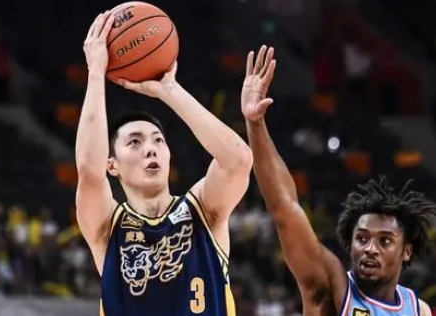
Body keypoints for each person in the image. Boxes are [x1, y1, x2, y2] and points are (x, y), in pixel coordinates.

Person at [76, 11, 257, 316]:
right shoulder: (108, 229)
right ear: (112, 165)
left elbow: (238, 161)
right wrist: (96, 73)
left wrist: (170, 90)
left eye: (158, 140)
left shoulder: (203, 210)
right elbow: (88, 173)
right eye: (135, 142)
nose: (151, 149)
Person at [242, 45, 436, 316]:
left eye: (385, 241)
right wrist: (255, 124)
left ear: (407, 251)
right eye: (362, 238)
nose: (370, 249)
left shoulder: (418, 309)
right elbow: (284, 208)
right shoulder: (333, 287)